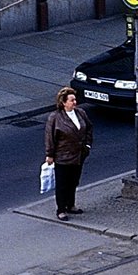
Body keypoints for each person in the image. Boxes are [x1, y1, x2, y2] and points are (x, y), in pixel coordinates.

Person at [45, 87, 93, 221]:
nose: (75, 102)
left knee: (73, 181)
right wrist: (50, 154)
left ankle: (70, 205)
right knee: (62, 183)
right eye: (72, 100)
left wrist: (87, 145)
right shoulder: (55, 118)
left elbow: (89, 128)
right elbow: (50, 137)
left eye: (75, 99)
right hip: (63, 156)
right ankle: (61, 209)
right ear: (63, 102)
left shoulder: (80, 113)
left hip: (79, 155)